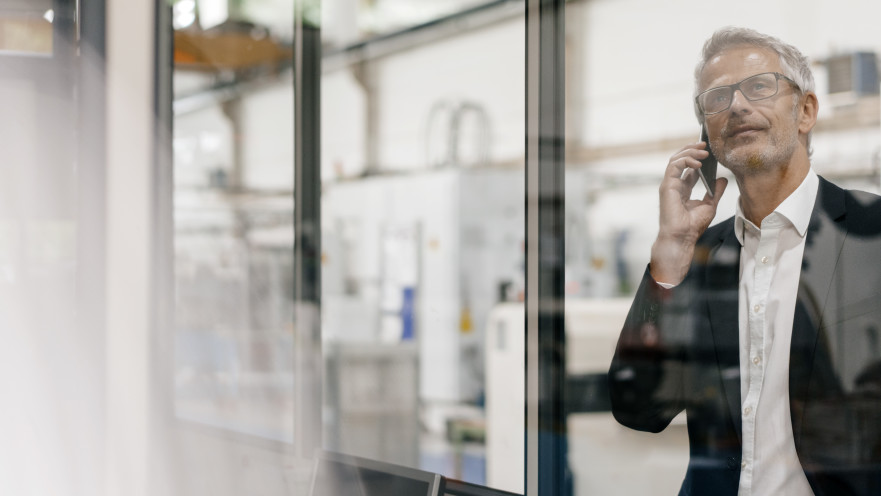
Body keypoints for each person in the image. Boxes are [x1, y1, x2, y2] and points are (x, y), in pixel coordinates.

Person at [608, 27, 881, 496]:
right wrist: (669, 258)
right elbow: (639, 409)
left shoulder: (869, 234)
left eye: (759, 87)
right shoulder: (701, 254)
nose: (736, 106)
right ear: (706, 135)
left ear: (806, 111)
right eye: (716, 98)